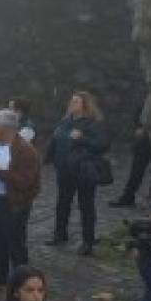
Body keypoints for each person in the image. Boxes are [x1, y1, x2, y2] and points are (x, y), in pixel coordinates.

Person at [43, 91, 110, 256]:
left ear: (85, 105)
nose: (72, 104)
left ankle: (88, 241)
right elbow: (55, 141)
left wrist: (82, 139)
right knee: (62, 203)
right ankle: (60, 234)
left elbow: (102, 145)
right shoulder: (65, 123)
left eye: (76, 101)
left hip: (83, 170)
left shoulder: (92, 124)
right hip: (65, 170)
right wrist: (48, 158)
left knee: (86, 205)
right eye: (71, 101)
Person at [0, 110, 42, 287]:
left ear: (6, 128)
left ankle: (21, 281)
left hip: (13, 203)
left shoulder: (25, 150)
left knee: (15, 244)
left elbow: (25, 181)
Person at [111, 102, 151, 208]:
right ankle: (128, 196)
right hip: (146, 133)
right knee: (137, 168)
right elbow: (140, 108)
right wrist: (139, 126)